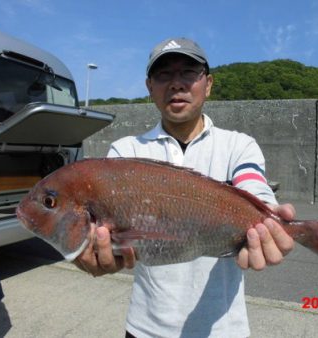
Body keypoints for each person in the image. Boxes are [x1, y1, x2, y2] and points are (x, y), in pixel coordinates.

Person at [75, 37, 295, 338]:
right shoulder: (123, 154)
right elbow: (106, 234)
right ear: (149, 86)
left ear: (208, 84)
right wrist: (89, 252)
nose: (176, 84)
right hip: (145, 329)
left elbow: (254, 189)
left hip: (224, 330)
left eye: (189, 73)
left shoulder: (238, 146)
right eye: (164, 75)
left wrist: (269, 220)